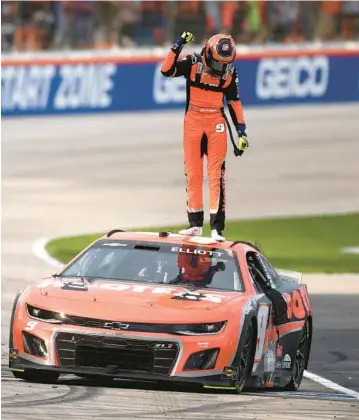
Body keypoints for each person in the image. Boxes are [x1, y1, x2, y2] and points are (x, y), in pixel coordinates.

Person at [161, 31, 249, 242]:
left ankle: (217, 228)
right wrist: (178, 44)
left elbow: (234, 102)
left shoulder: (230, 73)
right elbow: (166, 70)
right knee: (193, 174)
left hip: (216, 123)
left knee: (216, 175)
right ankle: (195, 225)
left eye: (225, 64)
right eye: (217, 64)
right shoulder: (192, 63)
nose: (221, 70)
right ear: (208, 53)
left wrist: (241, 131)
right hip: (193, 121)